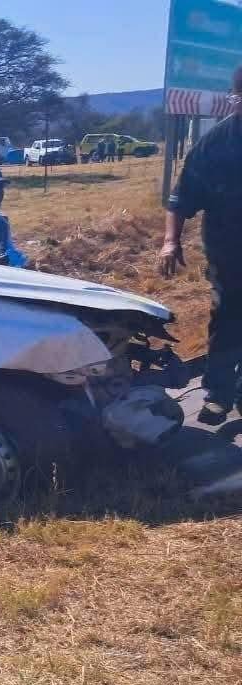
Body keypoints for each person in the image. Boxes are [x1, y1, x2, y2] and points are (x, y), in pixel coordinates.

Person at [160, 65, 242, 425]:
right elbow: (181, 199)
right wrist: (169, 241)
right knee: (228, 321)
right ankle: (219, 396)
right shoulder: (216, 144)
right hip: (230, 255)